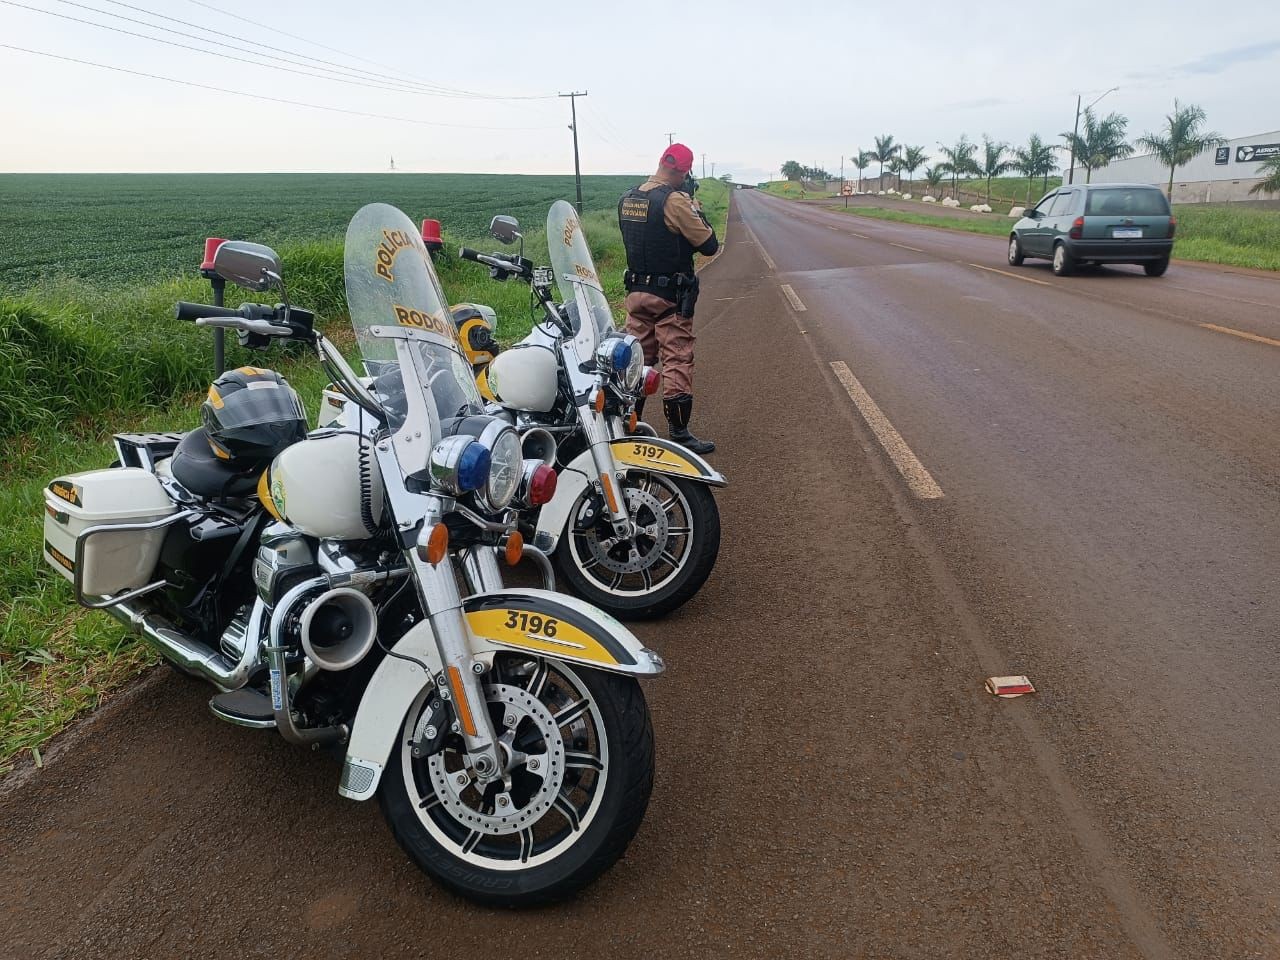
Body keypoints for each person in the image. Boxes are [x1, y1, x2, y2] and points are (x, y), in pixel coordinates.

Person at [618, 143, 719, 454]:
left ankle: (627, 425)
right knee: (676, 358)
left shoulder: (629, 198)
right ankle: (679, 432)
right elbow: (709, 245)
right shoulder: (674, 201)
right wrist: (695, 208)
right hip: (669, 297)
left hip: (636, 294)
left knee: (638, 361)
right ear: (681, 172)